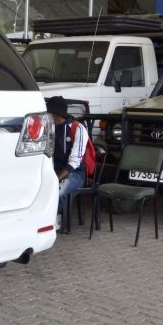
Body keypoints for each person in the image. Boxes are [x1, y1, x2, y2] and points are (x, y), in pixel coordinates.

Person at [46, 96, 89, 228]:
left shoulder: (78, 129)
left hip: (74, 173)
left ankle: (53, 221)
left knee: (60, 190)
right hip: (52, 169)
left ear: (56, 114)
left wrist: (56, 178)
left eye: (48, 113)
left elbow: (75, 161)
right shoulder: (48, 127)